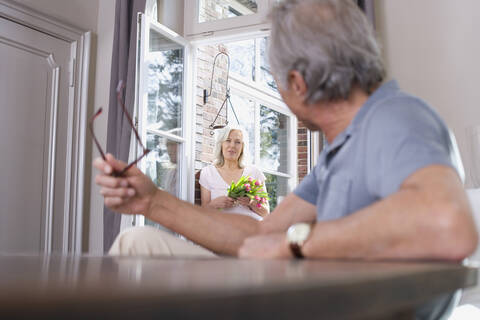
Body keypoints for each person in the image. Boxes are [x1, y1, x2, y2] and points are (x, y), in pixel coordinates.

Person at [95, 0, 477, 265]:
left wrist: (298, 244)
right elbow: (261, 235)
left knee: (135, 248)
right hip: (313, 289)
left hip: (340, 303)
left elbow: (449, 226)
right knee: (138, 242)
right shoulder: (340, 150)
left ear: (297, 82)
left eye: (275, 79)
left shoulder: (396, 118)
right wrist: (153, 201)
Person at [199, 125, 269, 220]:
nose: (232, 145)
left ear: (242, 147)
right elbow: (204, 212)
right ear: (221, 144)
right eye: (228, 140)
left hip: (252, 229)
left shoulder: (254, 172)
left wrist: (251, 202)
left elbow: (266, 213)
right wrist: (214, 204)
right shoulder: (208, 172)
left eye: (237, 142)